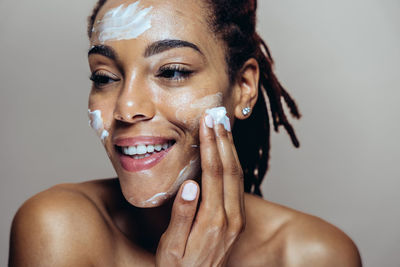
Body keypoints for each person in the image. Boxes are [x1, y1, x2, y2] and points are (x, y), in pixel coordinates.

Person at [9, 0, 362, 266]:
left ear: (243, 87)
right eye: (104, 77)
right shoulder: (57, 230)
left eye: (173, 71)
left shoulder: (315, 255)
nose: (126, 108)